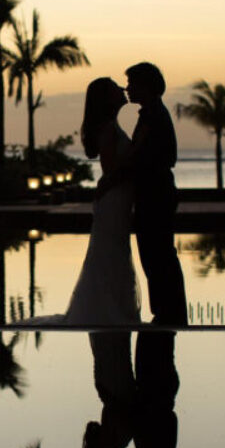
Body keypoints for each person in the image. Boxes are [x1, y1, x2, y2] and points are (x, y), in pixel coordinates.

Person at [30, 77, 141, 325]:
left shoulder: (111, 126)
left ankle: (114, 306)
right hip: (114, 199)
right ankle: (109, 309)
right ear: (106, 98)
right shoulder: (109, 129)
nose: (123, 89)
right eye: (115, 88)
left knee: (114, 251)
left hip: (117, 198)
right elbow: (111, 170)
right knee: (111, 253)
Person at [98, 62, 188, 325]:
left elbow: (138, 157)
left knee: (157, 253)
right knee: (158, 253)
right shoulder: (152, 113)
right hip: (155, 192)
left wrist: (110, 181)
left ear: (144, 85)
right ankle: (167, 310)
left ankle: (168, 311)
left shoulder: (152, 115)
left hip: (155, 194)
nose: (127, 88)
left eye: (131, 83)